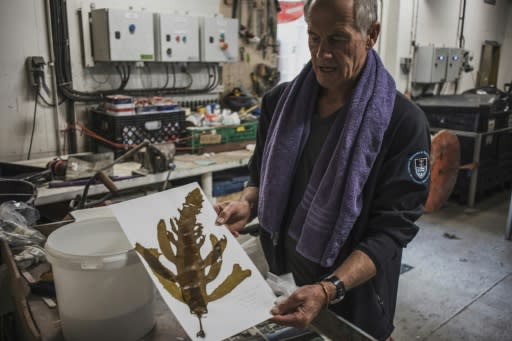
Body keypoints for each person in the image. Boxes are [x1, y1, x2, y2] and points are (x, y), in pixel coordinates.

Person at [214, 0, 431, 340]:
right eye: (314, 38)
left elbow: (392, 229)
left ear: (371, 34)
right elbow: (259, 176)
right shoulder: (280, 103)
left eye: (338, 39)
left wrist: (328, 289)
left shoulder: (401, 123)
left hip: (353, 297)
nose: (322, 54)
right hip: (282, 281)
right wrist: (248, 203)